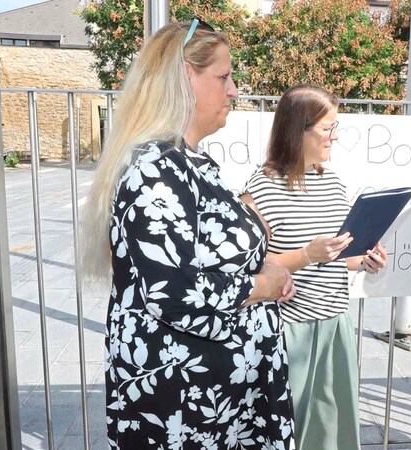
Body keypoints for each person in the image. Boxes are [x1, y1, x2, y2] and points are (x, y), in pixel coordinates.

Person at [79, 20, 297, 449]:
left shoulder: (185, 163)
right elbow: (173, 292)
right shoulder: (154, 170)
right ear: (184, 77)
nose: (234, 89)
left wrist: (260, 259)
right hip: (188, 405)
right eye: (224, 76)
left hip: (221, 398)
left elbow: (200, 257)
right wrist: (259, 285)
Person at [240, 84, 387, 450]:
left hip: (336, 323)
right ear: (297, 130)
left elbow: (338, 257)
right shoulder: (259, 190)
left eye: (335, 127)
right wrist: (306, 254)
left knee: (334, 431)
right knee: (291, 429)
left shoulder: (334, 184)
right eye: (327, 128)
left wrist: (366, 261)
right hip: (288, 331)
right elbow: (247, 267)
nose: (334, 137)